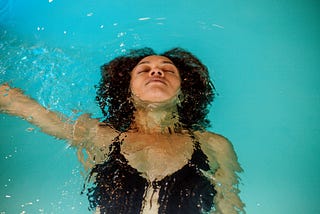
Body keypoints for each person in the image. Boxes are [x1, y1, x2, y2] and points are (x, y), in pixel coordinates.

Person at [0, 47, 245, 214]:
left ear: (184, 91)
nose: (156, 71)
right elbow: (33, 112)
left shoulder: (213, 145)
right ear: (127, 91)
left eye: (168, 70)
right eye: (143, 70)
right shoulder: (101, 136)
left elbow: (229, 205)